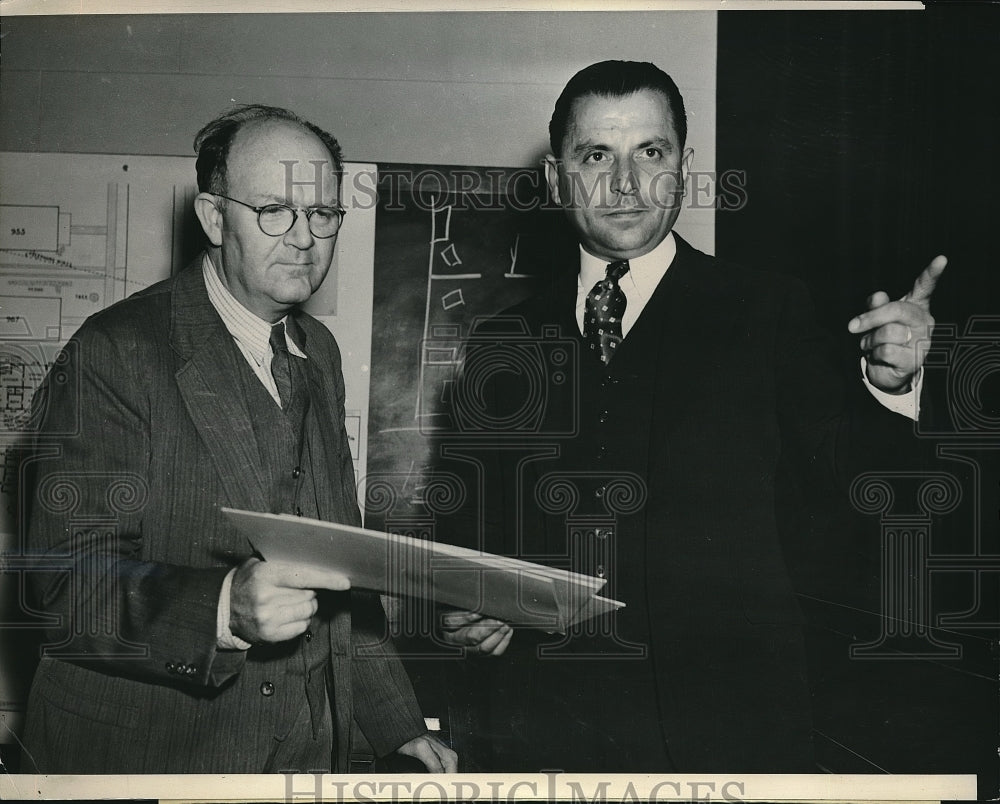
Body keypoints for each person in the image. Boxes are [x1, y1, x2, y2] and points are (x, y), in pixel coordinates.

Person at [434, 61, 945, 772]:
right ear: (555, 179)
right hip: (550, 736)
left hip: (732, 733)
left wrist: (892, 383)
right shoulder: (501, 344)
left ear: (685, 168)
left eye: (651, 152)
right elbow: (474, 535)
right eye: (595, 156)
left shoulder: (769, 310)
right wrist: (468, 606)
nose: (625, 184)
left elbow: (868, 488)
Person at [21, 104, 457, 774]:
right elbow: (58, 585)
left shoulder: (319, 352)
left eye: (322, 214)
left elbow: (342, 564)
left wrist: (395, 723)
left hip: (304, 763)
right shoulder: (116, 352)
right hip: (155, 761)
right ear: (214, 218)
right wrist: (223, 608)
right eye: (275, 210)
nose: (305, 238)